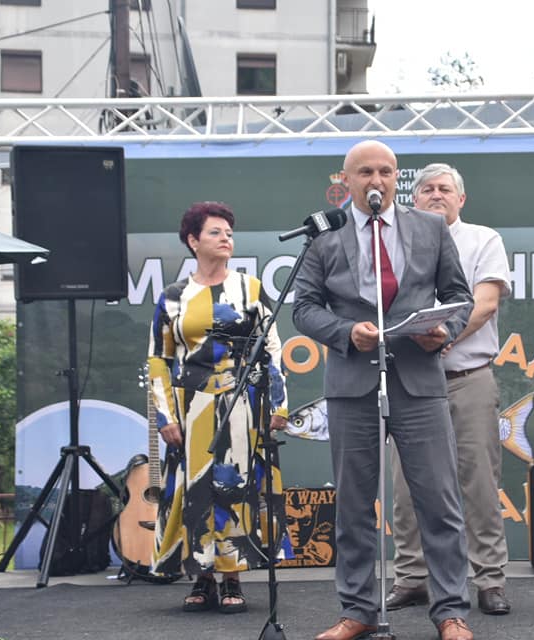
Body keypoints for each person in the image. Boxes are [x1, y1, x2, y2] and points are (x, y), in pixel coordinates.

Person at [292, 141, 476, 640]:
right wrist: (344, 334)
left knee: (439, 502)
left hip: (418, 381)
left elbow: (460, 296)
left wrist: (445, 331)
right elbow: (303, 307)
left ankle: (451, 612)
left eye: (387, 172)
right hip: (353, 384)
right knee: (353, 504)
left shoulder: (430, 227)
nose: (378, 181)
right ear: (346, 180)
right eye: (366, 172)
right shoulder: (325, 234)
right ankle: (359, 611)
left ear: (397, 178)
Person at [147, 201, 290, 614]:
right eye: (215, 232)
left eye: (229, 231)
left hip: (244, 400)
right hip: (192, 406)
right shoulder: (173, 297)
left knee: (237, 483)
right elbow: (159, 359)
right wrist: (164, 416)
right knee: (196, 490)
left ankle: (233, 578)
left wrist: (278, 402)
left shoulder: (251, 288)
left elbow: (272, 346)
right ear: (193, 241)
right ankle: (202, 576)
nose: (226, 237)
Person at [386, 163, 512, 616]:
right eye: (426, 189)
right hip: (409, 381)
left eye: (445, 189)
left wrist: (444, 338)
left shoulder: (483, 240)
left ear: (461, 199)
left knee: (479, 483)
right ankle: (412, 577)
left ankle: (490, 580)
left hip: (467, 378)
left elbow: (487, 301)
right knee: (405, 488)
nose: (435, 195)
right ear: (413, 199)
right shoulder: (394, 241)